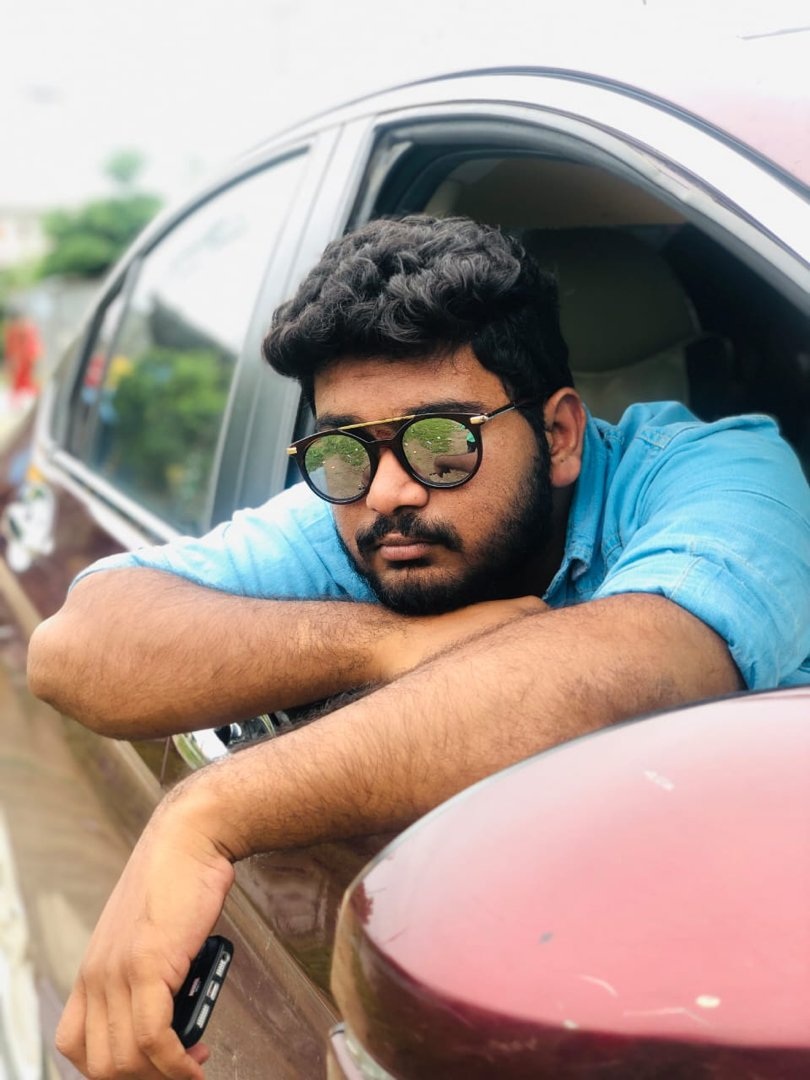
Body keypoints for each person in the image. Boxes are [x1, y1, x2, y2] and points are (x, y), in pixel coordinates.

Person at [27, 215, 810, 1079]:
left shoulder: (725, 478)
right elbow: (75, 644)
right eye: (342, 450)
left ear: (558, 435)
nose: (389, 493)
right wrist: (390, 646)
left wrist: (207, 813)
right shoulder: (369, 508)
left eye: (442, 441)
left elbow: (627, 673)